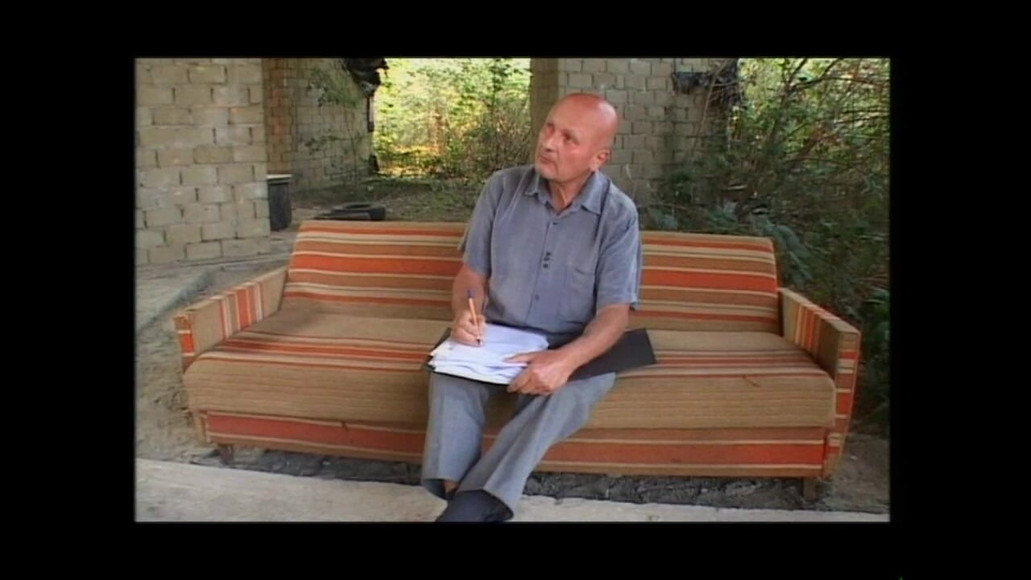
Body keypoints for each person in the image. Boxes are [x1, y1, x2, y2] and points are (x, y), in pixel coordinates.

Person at [421, 92, 642, 522]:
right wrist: (466, 312)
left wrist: (565, 360)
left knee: (565, 394)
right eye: (549, 128)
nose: (549, 143)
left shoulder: (618, 215)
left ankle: (467, 509)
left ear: (598, 158)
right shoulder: (501, 188)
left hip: (573, 342)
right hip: (497, 334)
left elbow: (614, 314)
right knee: (449, 375)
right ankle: (463, 499)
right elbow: (472, 276)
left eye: (569, 139)